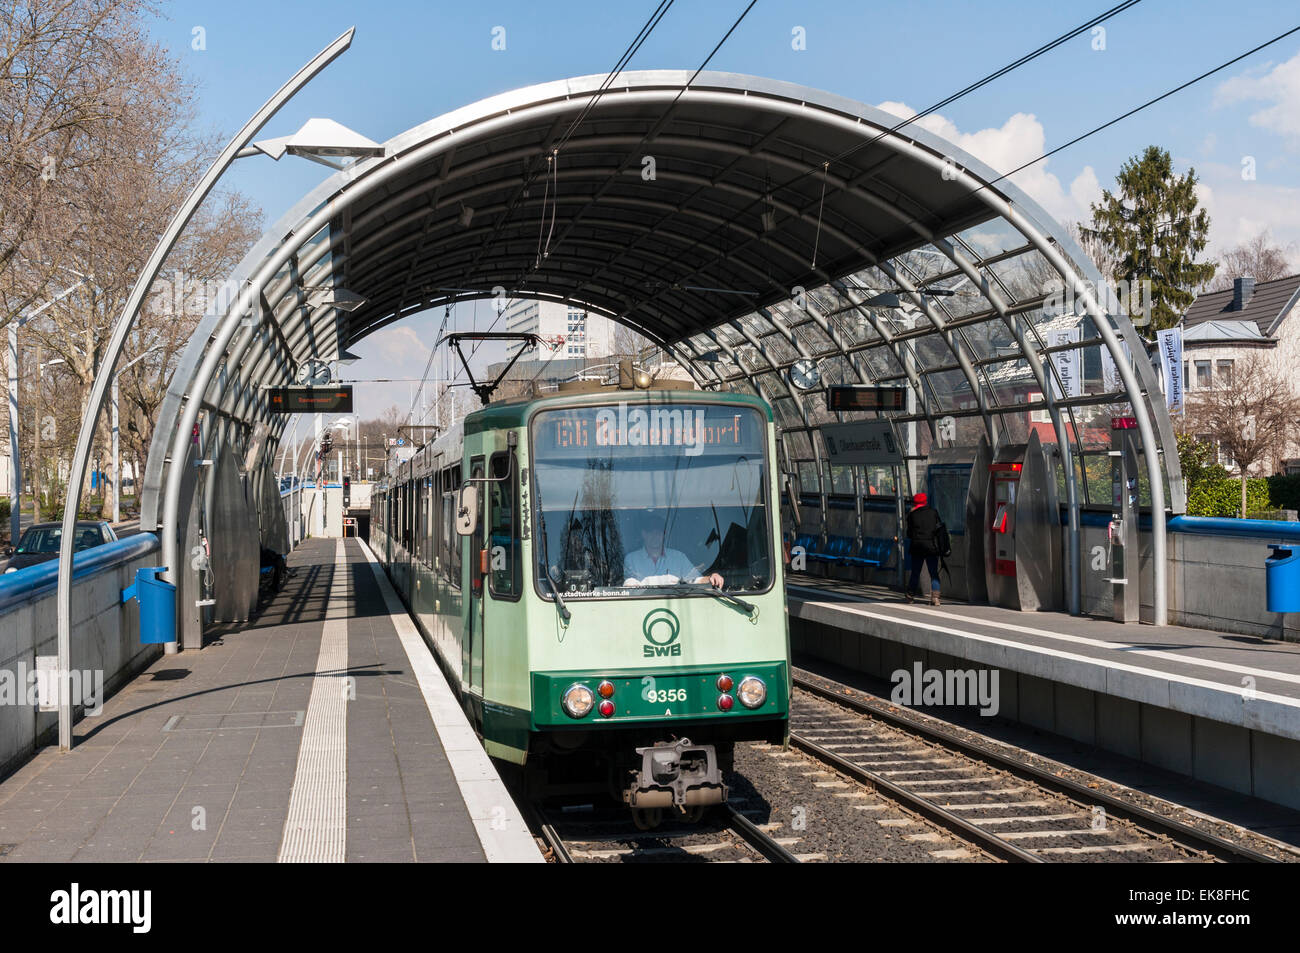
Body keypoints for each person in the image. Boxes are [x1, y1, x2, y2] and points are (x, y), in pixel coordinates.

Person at [623, 508, 724, 588]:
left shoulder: (679, 557)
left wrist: (711, 578)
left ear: (664, 534)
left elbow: (696, 580)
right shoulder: (631, 559)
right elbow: (629, 586)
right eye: (650, 532)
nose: (655, 535)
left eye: (658, 532)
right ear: (643, 534)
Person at [904, 491, 943, 605]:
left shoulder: (912, 515)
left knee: (916, 572)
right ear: (925, 502)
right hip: (931, 546)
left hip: (917, 547)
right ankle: (935, 597)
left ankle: (910, 595)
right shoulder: (933, 512)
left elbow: (909, 534)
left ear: (915, 503)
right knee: (933, 573)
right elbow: (938, 529)